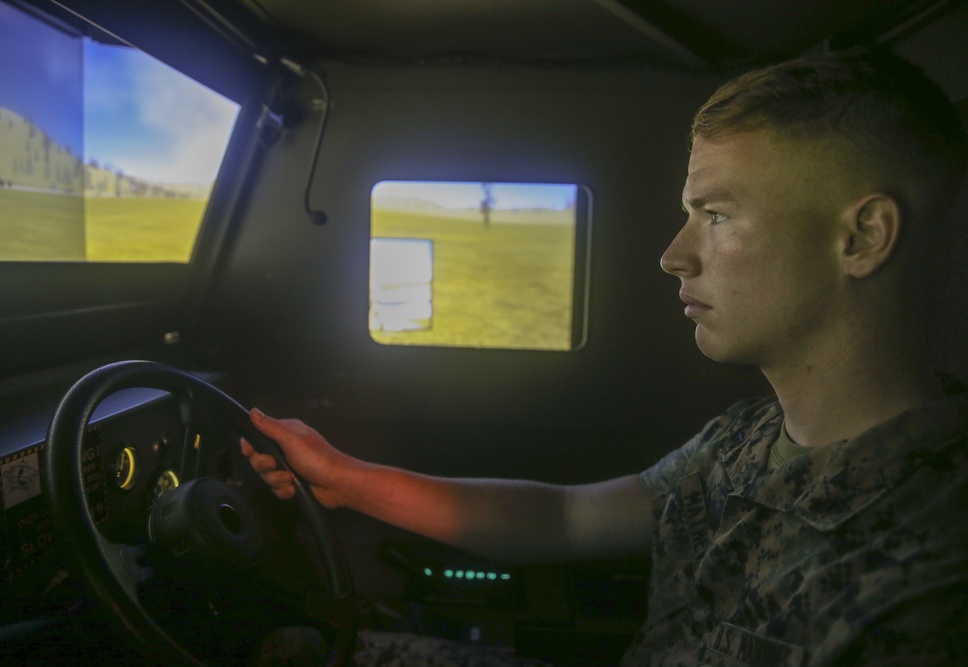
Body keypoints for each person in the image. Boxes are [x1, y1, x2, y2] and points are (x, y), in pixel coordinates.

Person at [242, 47, 968, 666]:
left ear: (863, 237)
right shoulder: (748, 438)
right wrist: (348, 478)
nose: (673, 255)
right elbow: (564, 519)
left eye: (716, 216)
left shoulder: (933, 575)